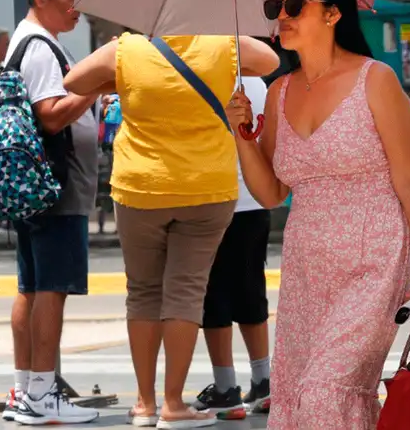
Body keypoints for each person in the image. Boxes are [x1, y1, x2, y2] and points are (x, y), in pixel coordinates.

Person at [224, 0, 410, 429]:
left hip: (371, 263)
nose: (281, 15)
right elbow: (270, 192)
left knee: (327, 392)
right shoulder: (280, 92)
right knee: (300, 400)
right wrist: (240, 134)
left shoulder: (376, 81)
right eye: (275, 5)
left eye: (295, 3)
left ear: (333, 12)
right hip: (307, 269)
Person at [63, 32, 278, 428]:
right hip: (206, 186)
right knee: (186, 291)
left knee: (142, 292)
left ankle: (144, 404)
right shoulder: (222, 45)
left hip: (140, 187)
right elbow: (268, 61)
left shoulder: (126, 49)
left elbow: (73, 82)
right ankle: (172, 404)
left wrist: (123, 78)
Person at [2, 0, 102, 425]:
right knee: (52, 290)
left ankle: (26, 390)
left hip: (36, 187)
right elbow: (51, 114)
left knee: (32, 286)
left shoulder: (28, 41)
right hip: (55, 187)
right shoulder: (41, 47)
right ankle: (42, 395)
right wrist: (97, 83)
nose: (76, 7)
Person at [193, 75, 273, 418]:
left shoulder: (194, 74)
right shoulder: (256, 81)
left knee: (215, 298)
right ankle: (264, 381)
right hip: (253, 200)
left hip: (209, 199)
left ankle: (226, 388)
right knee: (252, 290)